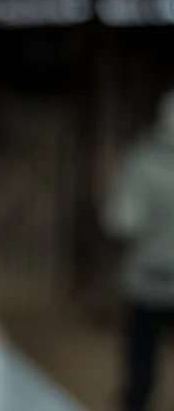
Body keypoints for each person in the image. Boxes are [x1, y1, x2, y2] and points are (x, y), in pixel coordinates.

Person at [102, 90, 174, 411]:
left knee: (140, 369)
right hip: (148, 282)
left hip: (146, 281)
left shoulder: (141, 163)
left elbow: (121, 222)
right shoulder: (140, 161)